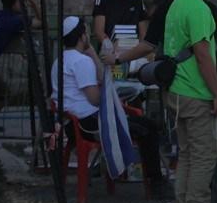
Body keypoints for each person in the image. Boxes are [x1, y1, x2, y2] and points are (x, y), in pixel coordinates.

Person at [51, 16, 166, 192]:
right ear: (82, 36)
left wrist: (91, 53)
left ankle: (149, 178)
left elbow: (98, 79)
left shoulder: (60, 60)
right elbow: (95, 98)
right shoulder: (81, 62)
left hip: (73, 123)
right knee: (148, 128)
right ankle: (156, 182)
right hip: (89, 124)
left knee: (142, 124)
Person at [164, 0, 217, 203]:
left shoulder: (176, 4)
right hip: (196, 91)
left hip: (177, 89)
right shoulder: (200, 8)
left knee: (187, 156)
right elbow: (203, 54)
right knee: (203, 156)